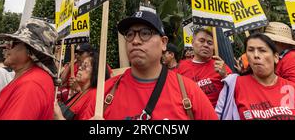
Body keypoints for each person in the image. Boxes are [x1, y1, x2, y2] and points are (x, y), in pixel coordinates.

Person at [80, 10, 218, 120]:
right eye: (129, 34)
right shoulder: (103, 94)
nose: (135, 41)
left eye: (145, 33)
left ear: (163, 43)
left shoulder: (188, 91)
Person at [216, 33, 295, 120]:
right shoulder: (233, 86)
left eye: (262, 50)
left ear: (276, 57)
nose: (256, 55)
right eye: (250, 50)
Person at [0, 19, 58, 120]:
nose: (6, 46)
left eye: (12, 42)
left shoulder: (31, 85)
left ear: (30, 50)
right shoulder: (30, 78)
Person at [177, 27, 232, 109]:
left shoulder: (220, 66)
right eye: (201, 41)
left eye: (210, 43)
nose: (206, 45)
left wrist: (225, 76)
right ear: (192, 43)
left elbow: (234, 91)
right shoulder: (181, 67)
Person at [53, 51, 110, 120]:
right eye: (81, 65)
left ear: (95, 72)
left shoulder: (93, 96)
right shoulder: (82, 92)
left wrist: (59, 117)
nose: (79, 68)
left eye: (84, 66)